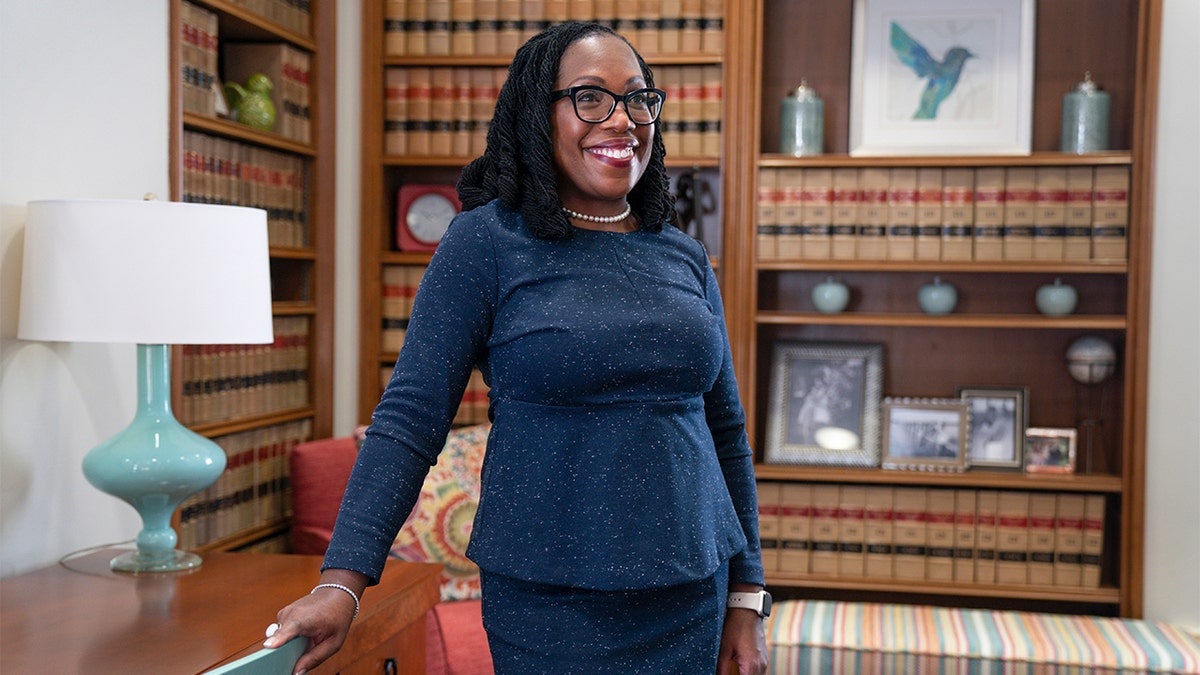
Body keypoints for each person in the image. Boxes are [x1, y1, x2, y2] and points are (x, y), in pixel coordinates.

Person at [265, 21, 769, 674]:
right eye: (591, 97)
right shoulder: (485, 243)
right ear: (539, 112)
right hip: (551, 599)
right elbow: (411, 416)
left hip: (691, 589)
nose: (622, 121)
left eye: (638, 98)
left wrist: (747, 595)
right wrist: (342, 580)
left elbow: (725, 430)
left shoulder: (684, 256)